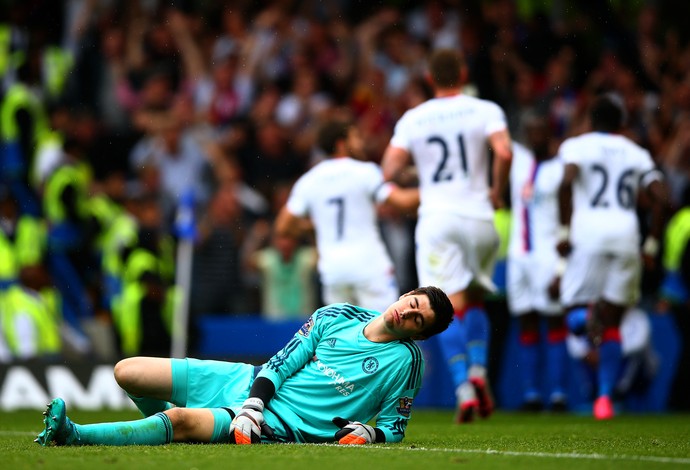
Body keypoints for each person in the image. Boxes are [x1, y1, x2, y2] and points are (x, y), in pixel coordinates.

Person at [35, 286, 454, 446]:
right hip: (251, 385)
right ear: (405, 294)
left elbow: (395, 429)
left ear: (418, 335)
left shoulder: (406, 361)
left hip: (279, 424)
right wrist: (254, 400)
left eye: (418, 320)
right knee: (127, 371)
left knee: (179, 420)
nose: (408, 314)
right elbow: (282, 362)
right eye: (412, 304)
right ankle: (178, 435)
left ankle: (73, 436)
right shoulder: (337, 316)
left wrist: (372, 433)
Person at [381, 48, 513, 423]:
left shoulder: (414, 118)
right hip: (481, 218)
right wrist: (496, 191)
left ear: (429, 78)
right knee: (475, 299)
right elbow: (503, 153)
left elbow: (389, 167)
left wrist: (414, 174)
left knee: (444, 302)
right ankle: (479, 371)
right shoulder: (485, 109)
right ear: (464, 71)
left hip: (439, 218)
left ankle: (463, 388)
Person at [556, 94, 667, 420]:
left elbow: (566, 183)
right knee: (615, 324)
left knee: (573, 311)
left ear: (590, 120)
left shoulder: (577, 146)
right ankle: (604, 399)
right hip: (626, 237)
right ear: (621, 124)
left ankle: (587, 318)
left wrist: (564, 234)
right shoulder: (637, 153)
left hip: (588, 235)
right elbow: (661, 198)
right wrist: (651, 247)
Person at [274, 119, 419, 313]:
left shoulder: (309, 181)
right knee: (386, 332)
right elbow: (401, 203)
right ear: (341, 144)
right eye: (355, 137)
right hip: (369, 268)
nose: (361, 143)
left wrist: (312, 228)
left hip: (333, 271)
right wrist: (436, 189)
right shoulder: (365, 172)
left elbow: (282, 226)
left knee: (344, 337)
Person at [506, 115, 569, 411]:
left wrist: (562, 266)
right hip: (519, 255)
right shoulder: (520, 162)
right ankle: (531, 394)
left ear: (550, 133)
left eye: (540, 132)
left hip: (548, 254)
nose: (535, 137)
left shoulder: (561, 169)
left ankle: (557, 393)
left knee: (554, 319)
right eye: (530, 132)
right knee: (526, 319)